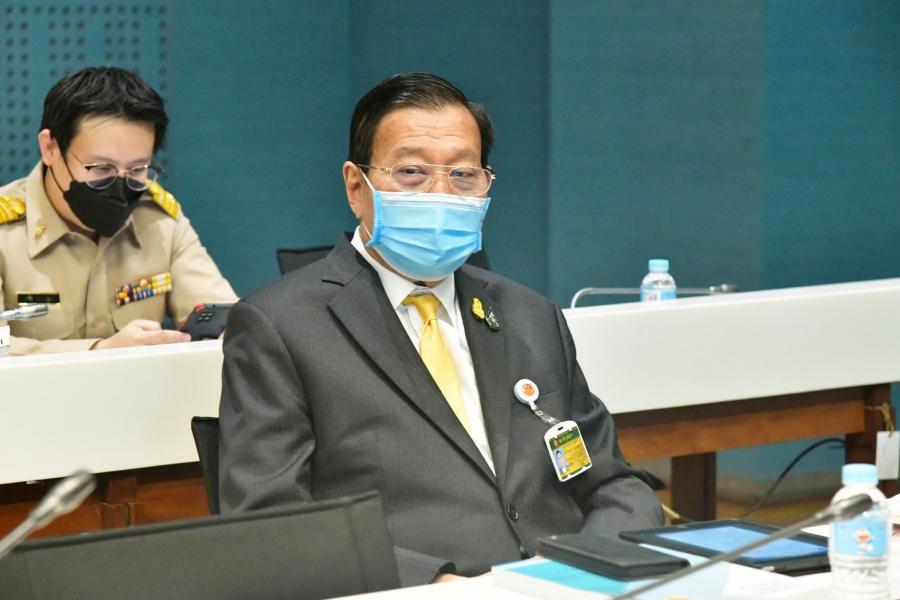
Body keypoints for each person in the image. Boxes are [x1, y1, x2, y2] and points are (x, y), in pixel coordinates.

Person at [218, 72, 663, 586]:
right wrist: (435, 585)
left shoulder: (530, 314)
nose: (441, 194)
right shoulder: (281, 325)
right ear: (356, 187)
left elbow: (613, 483)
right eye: (411, 172)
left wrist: (593, 568)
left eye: (463, 175)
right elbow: (272, 523)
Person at [0, 67, 236, 355]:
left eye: (137, 169)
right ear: (50, 148)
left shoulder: (160, 222)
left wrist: (227, 334)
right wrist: (100, 350)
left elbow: (222, 314)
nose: (120, 185)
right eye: (101, 168)